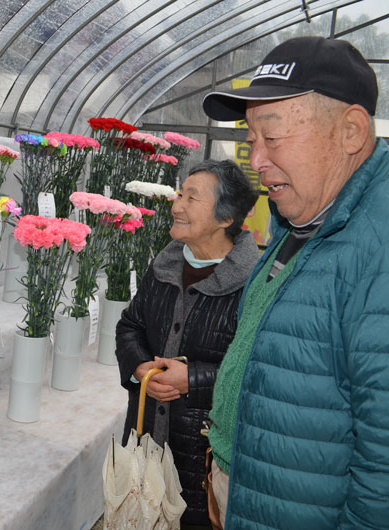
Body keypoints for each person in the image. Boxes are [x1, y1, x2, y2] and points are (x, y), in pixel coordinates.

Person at [202, 36, 389, 529]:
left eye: (273, 135)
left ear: (350, 131)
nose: (256, 159)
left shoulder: (378, 245)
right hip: (248, 495)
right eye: (250, 139)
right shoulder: (303, 217)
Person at [115, 159, 260, 529]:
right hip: (146, 442)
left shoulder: (254, 284)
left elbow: (256, 369)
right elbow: (130, 326)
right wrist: (139, 367)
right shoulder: (164, 264)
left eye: (191, 197)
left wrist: (191, 380)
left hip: (204, 462)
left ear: (226, 217)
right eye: (180, 193)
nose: (177, 204)